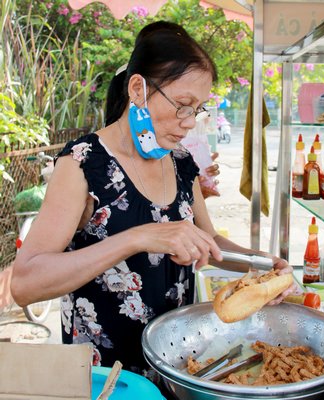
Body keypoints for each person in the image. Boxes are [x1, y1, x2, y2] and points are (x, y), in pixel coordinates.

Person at [11, 21, 294, 378]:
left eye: (198, 108)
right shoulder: (83, 164)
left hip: (177, 362)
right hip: (109, 375)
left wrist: (265, 266)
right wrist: (137, 237)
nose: (190, 121)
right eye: (183, 105)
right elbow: (24, 284)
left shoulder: (179, 163)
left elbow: (212, 242)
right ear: (138, 89)